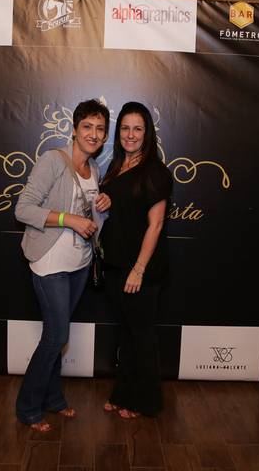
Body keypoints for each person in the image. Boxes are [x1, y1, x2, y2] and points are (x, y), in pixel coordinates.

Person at [14, 99, 111, 432]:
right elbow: (22, 209)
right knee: (56, 337)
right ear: (74, 129)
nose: (93, 134)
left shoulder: (94, 169)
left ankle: (53, 399)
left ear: (105, 135)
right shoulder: (53, 160)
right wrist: (67, 219)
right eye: (87, 127)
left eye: (100, 129)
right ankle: (28, 407)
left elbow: (91, 220)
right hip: (50, 262)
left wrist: (103, 206)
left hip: (79, 264)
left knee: (58, 336)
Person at [99, 101, 172, 419]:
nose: (130, 134)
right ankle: (123, 393)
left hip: (141, 269)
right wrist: (105, 201)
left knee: (141, 337)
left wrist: (138, 270)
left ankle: (146, 401)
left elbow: (156, 225)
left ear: (147, 133)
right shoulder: (116, 166)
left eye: (137, 129)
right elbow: (121, 208)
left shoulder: (155, 172)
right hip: (116, 265)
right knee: (126, 335)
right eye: (125, 128)